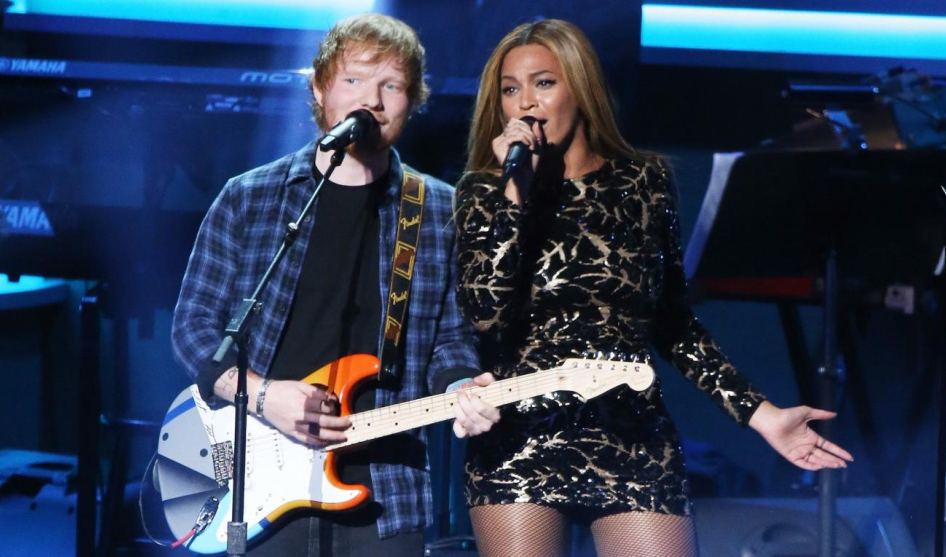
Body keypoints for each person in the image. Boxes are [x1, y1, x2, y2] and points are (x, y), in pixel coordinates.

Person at [452, 19, 854, 557]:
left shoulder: (644, 182)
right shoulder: (484, 190)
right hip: (521, 434)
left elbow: (673, 323)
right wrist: (514, 193)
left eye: (543, 83)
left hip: (631, 431)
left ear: (580, 87)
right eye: (509, 89)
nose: (525, 102)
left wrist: (763, 415)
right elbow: (483, 310)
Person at [172, 13, 498, 557]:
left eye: (391, 85)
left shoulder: (440, 210)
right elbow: (193, 330)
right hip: (256, 482)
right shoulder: (249, 197)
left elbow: (451, 339)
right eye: (353, 80)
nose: (371, 99)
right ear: (321, 89)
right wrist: (267, 396)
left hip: (385, 487)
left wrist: (461, 386)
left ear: (411, 101)